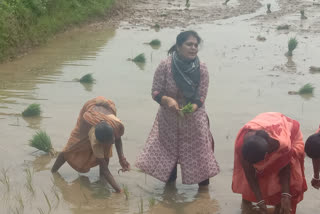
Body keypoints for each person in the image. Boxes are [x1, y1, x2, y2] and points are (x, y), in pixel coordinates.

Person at [135, 30, 220, 188]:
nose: (193, 48)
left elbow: (201, 96)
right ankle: (170, 193)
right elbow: (155, 91)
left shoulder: (201, 68)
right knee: (169, 154)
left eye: (196, 45)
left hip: (194, 119)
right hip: (169, 118)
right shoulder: (165, 65)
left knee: (199, 155)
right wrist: (167, 100)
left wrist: (191, 108)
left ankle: (203, 197)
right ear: (179, 46)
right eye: (189, 44)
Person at [232, 112, 307, 214]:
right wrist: (261, 201)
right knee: (255, 177)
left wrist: (286, 195)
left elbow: (285, 168)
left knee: (279, 179)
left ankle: (279, 206)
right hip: (265, 125)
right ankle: (247, 204)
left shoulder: (281, 144)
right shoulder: (242, 145)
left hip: (287, 131)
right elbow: (249, 173)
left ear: (267, 154)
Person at [51, 96, 130, 193]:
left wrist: (121, 158)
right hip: (87, 117)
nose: (113, 143)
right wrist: (119, 191)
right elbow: (105, 169)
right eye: (109, 142)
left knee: (106, 153)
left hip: (104, 112)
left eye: (112, 139)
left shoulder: (116, 124)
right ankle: (53, 171)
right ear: (99, 142)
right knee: (71, 148)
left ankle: (102, 181)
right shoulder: (95, 140)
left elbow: (118, 138)